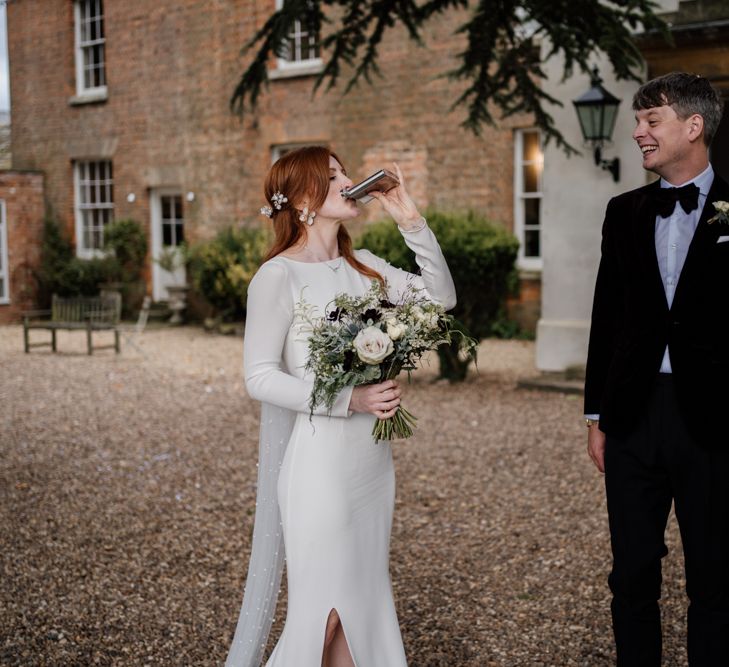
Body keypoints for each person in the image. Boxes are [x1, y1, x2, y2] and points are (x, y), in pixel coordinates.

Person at [225, 146, 456, 667]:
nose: (350, 181)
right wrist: (347, 398)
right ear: (304, 197)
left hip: (371, 469)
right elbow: (259, 376)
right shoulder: (276, 277)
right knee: (325, 612)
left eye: (346, 172)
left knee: (362, 610)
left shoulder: (367, 267)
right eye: (333, 176)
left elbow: (442, 301)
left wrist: (409, 218)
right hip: (318, 470)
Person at [585, 72, 728, 666]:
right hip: (632, 418)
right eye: (637, 121)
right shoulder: (622, 212)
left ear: (693, 127)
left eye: (651, 120)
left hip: (716, 421)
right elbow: (606, 315)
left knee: (717, 578)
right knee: (632, 573)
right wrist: (595, 412)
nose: (638, 131)